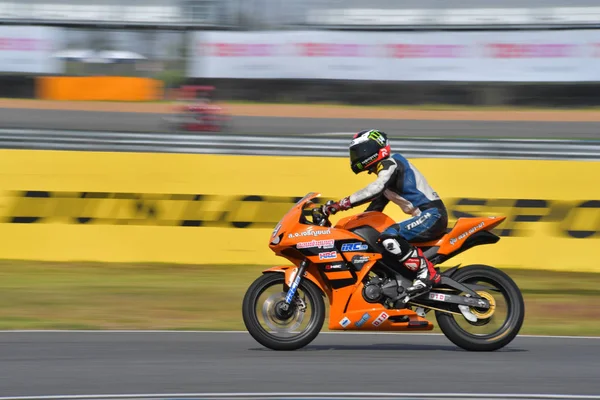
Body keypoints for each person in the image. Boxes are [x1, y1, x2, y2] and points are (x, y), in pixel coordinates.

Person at [322, 129, 448, 297]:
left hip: (432, 215)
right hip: (426, 217)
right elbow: (372, 211)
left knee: (389, 237)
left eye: (361, 150)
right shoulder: (387, 179)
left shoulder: (391, 163)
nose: (357, 155)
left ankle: (427, 274)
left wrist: (341, 204)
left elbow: (375, 189)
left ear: (375, 148)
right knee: (376, 240)